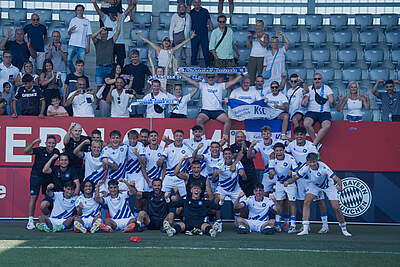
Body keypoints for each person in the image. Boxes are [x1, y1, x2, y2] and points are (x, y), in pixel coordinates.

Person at [285, 153, 352, 237]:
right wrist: (288, 182)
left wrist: (340, 186)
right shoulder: (305, 168)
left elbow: (337, 179)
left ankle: (344, 229)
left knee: (336, 207)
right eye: (310, 162)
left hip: (329, 186)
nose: (312, 164)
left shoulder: (324, 167)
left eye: (314, 162)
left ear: (317, 161)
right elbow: (295, 178)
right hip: (315, 186)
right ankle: (305, 229)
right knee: (306, 202)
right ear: (307, 162)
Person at [286, 126, 329, 234]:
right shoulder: (291, 145)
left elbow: (318, 158)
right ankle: (306, 226)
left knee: (320, 201)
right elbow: (285, 155)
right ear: (294, 136)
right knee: (302, 201)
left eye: (301, 134)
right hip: (300, 179)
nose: (299, 136)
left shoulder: (310, 145)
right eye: (297, 134)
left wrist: (308, 165)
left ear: (305, 136)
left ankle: (325, 225)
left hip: (312, 178)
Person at [179, 72, 243, 138]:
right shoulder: (203, 85)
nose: (211, 78)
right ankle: (203, 138)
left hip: (218, 111)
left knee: (228, 120)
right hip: (206, 111)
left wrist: (241, 75)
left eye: (212, 77)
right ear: (206, 78)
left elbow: (232, 83)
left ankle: (224, 138)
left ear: (215, 78)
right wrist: (181, 74)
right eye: (209, 77)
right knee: (199, 120)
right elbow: (191, 81)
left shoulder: (220, 85)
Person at [23, 136, 60, 229]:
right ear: (46, 143)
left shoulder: (56, 152)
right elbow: (26, 151)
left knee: (47, 197)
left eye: (53, 143)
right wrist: (34, 142)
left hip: (48, 177)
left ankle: (49, 219)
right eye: (49, 143)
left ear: (55, 144)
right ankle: (30, 221)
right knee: (34, 197)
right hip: (36, 176)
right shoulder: (40, 150)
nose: (51, 145)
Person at [91, 0, 136, 67]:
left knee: (121, 62)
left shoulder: (121, 17)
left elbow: (130, 8)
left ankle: (119, 76)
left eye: (115, 13)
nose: (114, 15)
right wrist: (94, 3)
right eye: (112, 14)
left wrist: (134, 3)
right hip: (110, 43)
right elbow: (98, 10)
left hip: (120, 43)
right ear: (109, 13)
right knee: (109, 62)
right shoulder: (105, 18)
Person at [212, 147, 245, 232]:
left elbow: (244, 178)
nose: (227, 156)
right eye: (226, 154)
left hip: (235, 188)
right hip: (222, 188)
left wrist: (242, 174)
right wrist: (216, 174)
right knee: (216, 199)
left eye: (229, 154)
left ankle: (237, 218)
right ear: (223, 156)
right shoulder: (220, 164)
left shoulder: (237, 163)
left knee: (241, 204)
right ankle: (218, 222)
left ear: (232, 155)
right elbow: (213, 179)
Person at [268, 142, 298, 233]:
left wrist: (292, 173)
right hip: (279, 183)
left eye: (281, 150)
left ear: (284, 150)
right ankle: (277, 224)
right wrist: (271, 173)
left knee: (291, 202)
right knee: (279, 203)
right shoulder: (272, 161)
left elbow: (297, 171)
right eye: (277, 151)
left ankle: (292, 225)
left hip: (290, 183)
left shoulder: (290, 158)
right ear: (274, 151)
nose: (279, 152)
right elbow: (271, 175)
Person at [302, 73, 335, 149]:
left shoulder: (327, 88)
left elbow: (331, 99)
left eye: (319, 79)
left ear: (321, 80)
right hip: (311, 112)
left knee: (327, 125)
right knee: (306, 123)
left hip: (324, 112)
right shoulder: (309, 88)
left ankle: (313, 144)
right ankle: (316, 143)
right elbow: (304, 103)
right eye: (315, 79)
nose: (317, 80)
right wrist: (304, 100)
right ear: (313, 80)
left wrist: (331, 100)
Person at [157, 129, 193, 196]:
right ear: (174, 137)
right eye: (177, 136)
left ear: (183, 138)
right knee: (163, 196)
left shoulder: (187, 149)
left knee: (183, 198)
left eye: (180, 136)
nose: (178, 138)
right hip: (169, 177)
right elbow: (160, 160)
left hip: (180, 177)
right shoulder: (168, 148)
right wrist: (161, 160)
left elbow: (192, 163)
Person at [92, 14, 122, 90]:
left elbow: (118, 32)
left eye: (105, 33)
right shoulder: (97, 42)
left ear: (107, 34)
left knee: (109, 86)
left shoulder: (111, 41)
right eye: (102, 33)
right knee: (99, 87)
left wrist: (119, 21)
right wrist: (101, 29)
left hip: (109, 67)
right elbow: (92, 36)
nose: (103, 34)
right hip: (99, 67)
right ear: (100, 34)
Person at [247, 126, 278, 196]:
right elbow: (249, 156)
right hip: (267, 173)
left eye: (268, 134)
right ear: (261, 135)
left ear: (271, 134)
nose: (266, 136)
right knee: (263, 195)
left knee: (282, 197)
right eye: (264, 134)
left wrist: (287, 139)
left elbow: (290, 144)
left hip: (279, 172)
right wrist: (251, 146)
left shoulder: (277, 142)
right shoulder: (259, 145)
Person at [122, 49, 152, 117]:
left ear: (138, 57)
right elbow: (121, 76)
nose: (134, 58)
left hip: (140, 93)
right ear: (130, 57)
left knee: (140, 115)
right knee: (131, 115)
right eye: (133, 57)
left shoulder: (143, 67)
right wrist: (127, 77)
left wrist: (147, 89)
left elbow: (151, 78)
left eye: (135, 57)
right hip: (130, 94)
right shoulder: (127, 67)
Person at [230, 131, 257, 197]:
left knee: (252, 193)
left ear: (244, 137)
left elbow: (253, 156)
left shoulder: (249, 144)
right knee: (240, 195)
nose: (240, 139)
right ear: (235, 138)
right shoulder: (232, 147)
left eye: (241, 137)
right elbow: (234, 157)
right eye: (238, 137)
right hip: (239, 173)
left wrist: (248, 149)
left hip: (250, 172)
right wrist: (242, 150)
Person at [67, 4, 92, 73]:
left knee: (81, 64)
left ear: (83, 11)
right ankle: (74, 73)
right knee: (68, 60)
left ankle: (81, 78)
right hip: (72, 44)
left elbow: (88, 35)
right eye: (78, 10)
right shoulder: (73, 20)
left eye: (81, 10)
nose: (80, 12)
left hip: (82, 46)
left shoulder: (87, 21)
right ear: (76, 11)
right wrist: (71, 29)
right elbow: (68, 33)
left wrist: (88, 46)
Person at [190, 0, 213, 66]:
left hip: (203, 35)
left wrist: (213, 32)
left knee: (206, 52)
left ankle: (208, 68)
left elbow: (209, 21)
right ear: (193, 3)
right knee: (194, 53)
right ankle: (193, 69)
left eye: (198, 2)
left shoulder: (205, 11)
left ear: (200, 3)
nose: (197, 4)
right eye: (195, 2)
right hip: (194, 35)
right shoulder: (191, 12)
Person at [45, 30, 68, 97]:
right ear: (52, 37)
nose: (56, 38)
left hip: (62, 71)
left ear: (60, 37)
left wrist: (60, 50)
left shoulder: (64, 46)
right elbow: (47, 59)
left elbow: (65, 59)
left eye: (57, 36)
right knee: (52, 90)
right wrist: (50, 50)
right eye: (54, 36)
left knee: (63, 91)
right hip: (51, 71)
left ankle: (63, 106)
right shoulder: (48, 46)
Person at [247, 20, 269, 85]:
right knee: (251, 75)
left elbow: (265, 44)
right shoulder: (253, 35)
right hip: (253, 56)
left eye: (259, 25)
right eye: (257, 25)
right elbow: (248, 46)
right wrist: (248, 38)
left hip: (262, 56)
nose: (258, 27)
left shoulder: (266, 35)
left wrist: (258, 38)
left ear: (262, 26)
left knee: (261, 75)